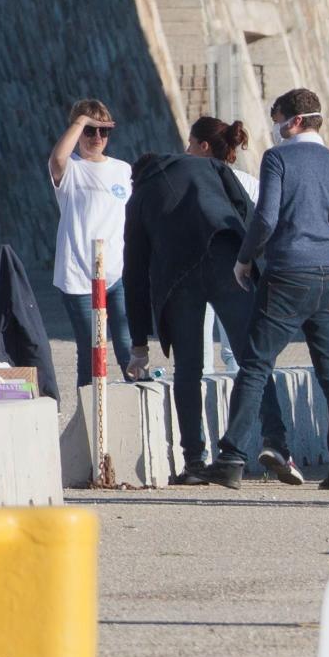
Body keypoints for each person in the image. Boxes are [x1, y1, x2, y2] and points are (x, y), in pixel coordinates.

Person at [208, 87, 329, 491]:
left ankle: (232, 457)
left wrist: (244, 259)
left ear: (293, 121)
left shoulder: (278, 158)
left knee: (256, 364)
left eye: (276, 119)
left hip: (288, 273)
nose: (274, 128)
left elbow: (266, 217)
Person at [125, 117, 285, 480]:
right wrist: (256, 270)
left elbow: (134, 274)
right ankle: (275, 443)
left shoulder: (140, 196)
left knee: (188, 370)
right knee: (252, 361)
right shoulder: (209, 165)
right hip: (227, 259)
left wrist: (139, 345)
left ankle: (194, 462)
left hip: (178, 278)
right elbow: (247, 213)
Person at [48, 99, 136, 388]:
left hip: (116, 272)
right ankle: (89, 416)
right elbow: (57, 160)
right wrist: (80, 122)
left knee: (127, 346)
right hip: (79, 274)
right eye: (90, 131)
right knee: (90, 348)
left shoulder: (122, 169)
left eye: (104, 132)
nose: (97, 138)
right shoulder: (71, 167)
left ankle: (135, 400)